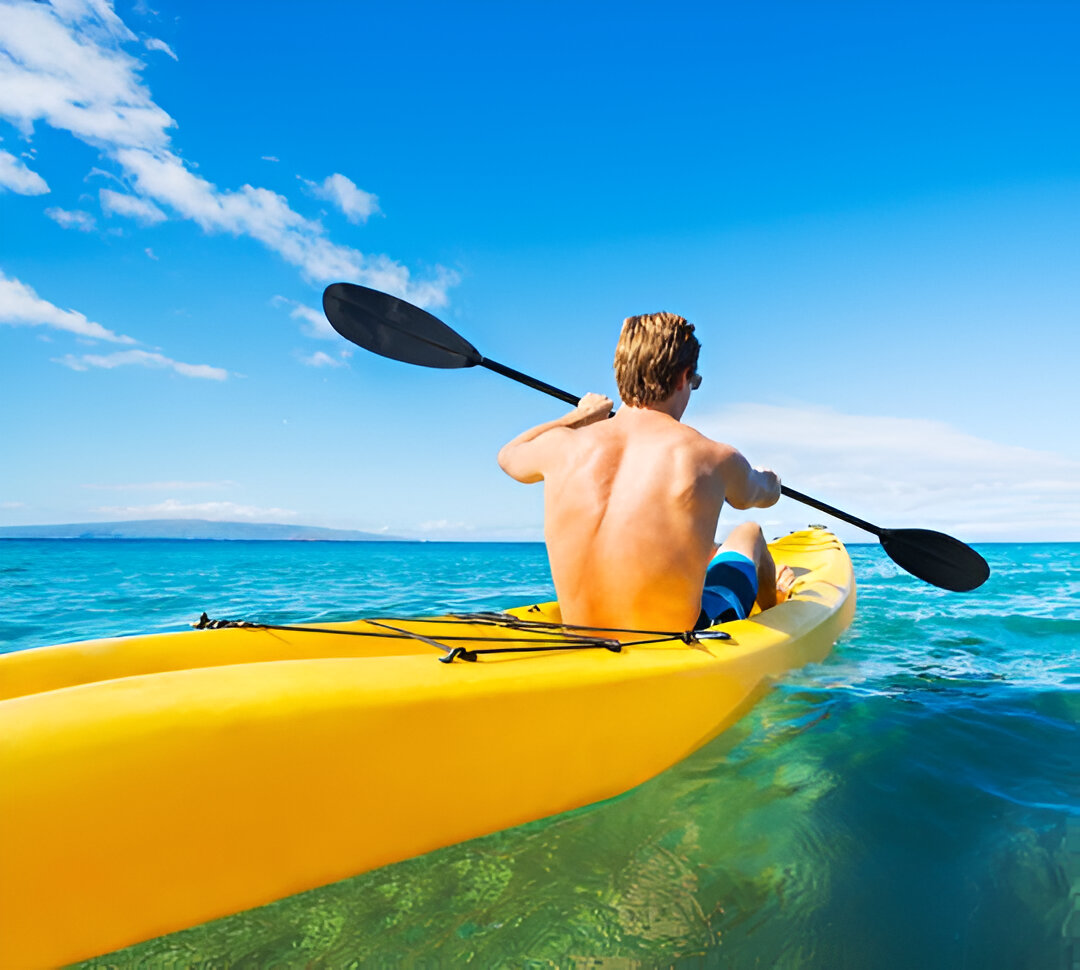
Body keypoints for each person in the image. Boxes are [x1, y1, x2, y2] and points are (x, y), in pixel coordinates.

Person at [497, 310, 794, 634]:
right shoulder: (712, 456)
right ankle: (777, 607)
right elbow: (764, 494)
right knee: (749, 533)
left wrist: (578, 416)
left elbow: (508, 456)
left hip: (583, 635)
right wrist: (771, 478)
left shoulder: (562, 446)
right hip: (678, 640)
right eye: (695, 381)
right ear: (683, 377)